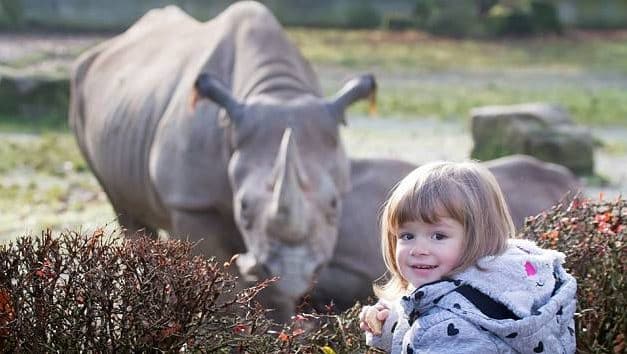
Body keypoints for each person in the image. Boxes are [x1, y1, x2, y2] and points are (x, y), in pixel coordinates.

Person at [359, 161, 576, 353]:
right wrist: (393, 323)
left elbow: (436, 335)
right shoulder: (511, 284)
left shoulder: (452, 327)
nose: (419, 249)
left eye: (438, 236)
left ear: (479, 236)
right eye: (407, 235)